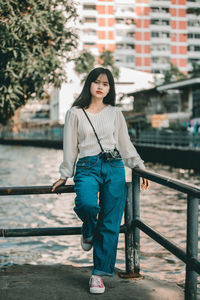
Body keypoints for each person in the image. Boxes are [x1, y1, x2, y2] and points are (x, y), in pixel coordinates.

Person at [52, 67, 150, 294]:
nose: (100, 87)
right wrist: (64, 174)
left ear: (109, 88)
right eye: (96, 82)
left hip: (114, 166)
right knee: (87, 204)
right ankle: (88, 227)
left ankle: (98, 274)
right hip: (87, 167)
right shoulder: (75, 113)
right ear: (89, 84)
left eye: (105, 84)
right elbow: (70, 147)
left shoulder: (115, 113)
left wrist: (140, 167)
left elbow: (125, 145)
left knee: (110, 222)